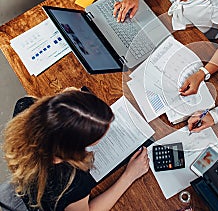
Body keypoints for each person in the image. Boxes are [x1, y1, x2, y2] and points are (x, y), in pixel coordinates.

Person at [3, 89, 149, 211]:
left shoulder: (25, 107)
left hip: (24, 181)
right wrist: (129, 176)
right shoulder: (71, 181)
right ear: (72, 150)